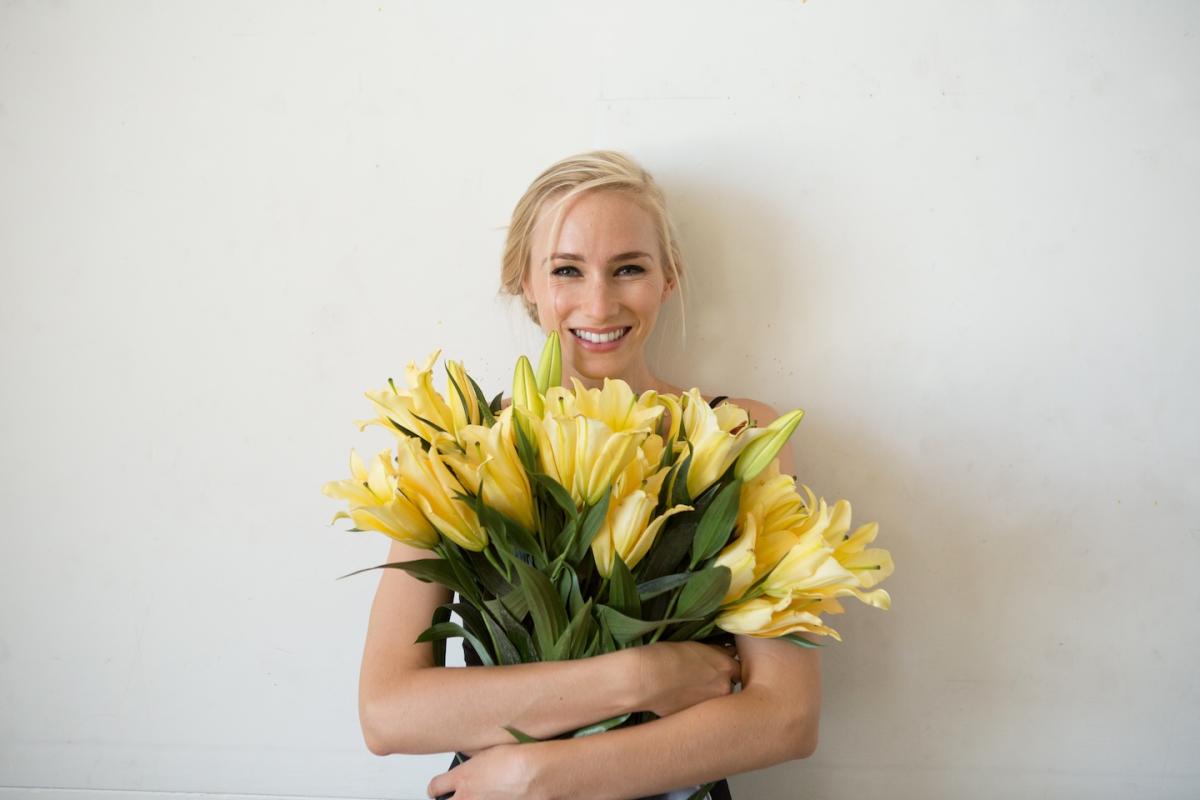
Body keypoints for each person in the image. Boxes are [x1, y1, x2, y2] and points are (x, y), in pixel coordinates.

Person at [358, 151, 820, 799]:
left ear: (668, 277)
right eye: (566, 270)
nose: (599, 304)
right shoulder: (454, 442)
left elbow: (786, 717)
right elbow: (387, 714)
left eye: (629, 268)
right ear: (524, 281)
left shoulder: (739, 435)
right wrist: (639, 677)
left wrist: (537, 775)